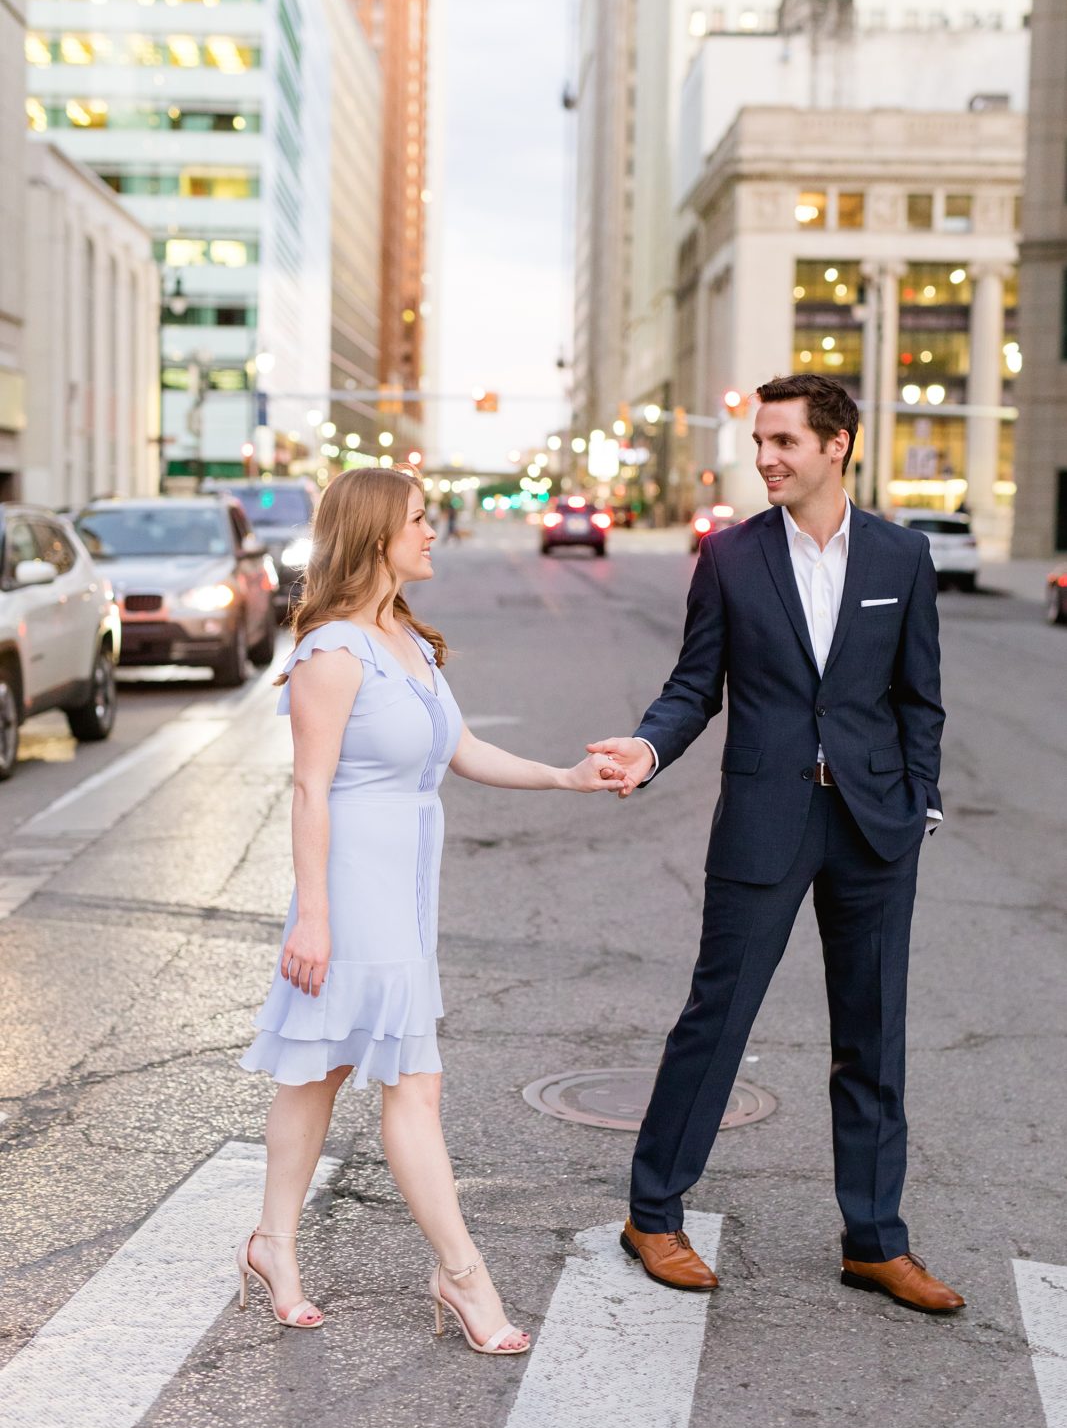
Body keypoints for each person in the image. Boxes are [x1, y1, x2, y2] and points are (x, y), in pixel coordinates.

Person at [589, 374, 964, 1315]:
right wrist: (646, 743)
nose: (765, 458)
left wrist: (917, 799)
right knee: (717, 1019)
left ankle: (874, 1242)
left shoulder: (900, 555)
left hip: (873, 827)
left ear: (837, 444)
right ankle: (653, 1214)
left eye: (784, 442)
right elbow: (693, 685)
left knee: (873, 1038)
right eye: (760, 441)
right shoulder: (728, 556)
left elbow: (918, 695)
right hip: (766, 820)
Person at [238, 466, 623, 1349]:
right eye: (418, 519)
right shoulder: (332, 652)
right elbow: (308, 789)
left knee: (320, 1070)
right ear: (377, 534)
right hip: (352, 891)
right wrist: (314, 917)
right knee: (409, 1085)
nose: (432, 531)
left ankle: (272, 1244)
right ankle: (462, 1277)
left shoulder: (406, 639)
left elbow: (465, 750)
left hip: (407, 892)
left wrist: (566, 776)